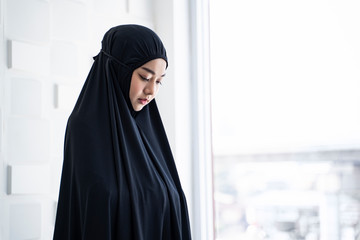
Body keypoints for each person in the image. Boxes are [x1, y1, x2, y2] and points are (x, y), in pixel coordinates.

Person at [53, 24, 192, 240]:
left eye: (159, 82)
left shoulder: (150, 131)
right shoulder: (84, 129)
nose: (152, 91)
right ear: (118, 69)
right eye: (145, 77)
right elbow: (93, 211)